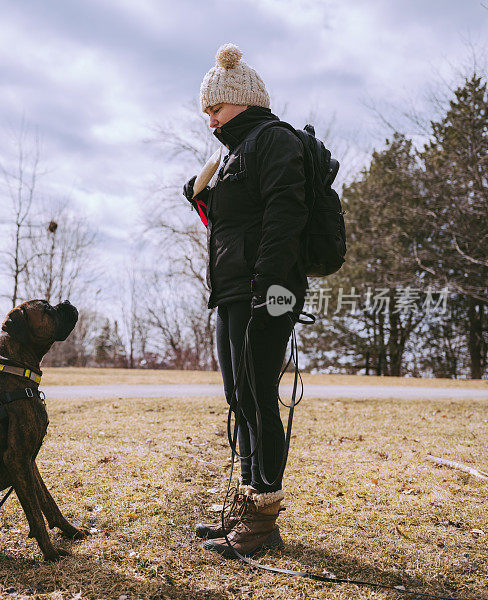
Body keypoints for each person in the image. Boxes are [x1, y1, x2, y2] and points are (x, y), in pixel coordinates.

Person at [183, 43, 308, 557]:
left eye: (215, 108)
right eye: (206, 111)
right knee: (239, 397)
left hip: (269, 291)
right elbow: (232, 228)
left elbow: (285, 217)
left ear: (240, 98)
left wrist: (266, 287)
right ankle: (246, 503)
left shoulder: (274, 141)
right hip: (233, 292)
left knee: (260, 397)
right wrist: (201, 197)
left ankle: (263, 519)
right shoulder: (231, 155)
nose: (210, 119)